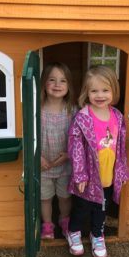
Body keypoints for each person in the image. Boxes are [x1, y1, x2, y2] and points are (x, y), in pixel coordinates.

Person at [66, 65, 129, 257]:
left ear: (113, 92)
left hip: (107, 175)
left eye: (105, 90)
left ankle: (97, 234)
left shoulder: (118, 117)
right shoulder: (82, 118)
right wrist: (80, 174)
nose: (100, 95)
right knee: (82, 207)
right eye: (94, 90)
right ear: (87, 92)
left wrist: (122, 171)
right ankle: (74, 232)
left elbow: (121, 147)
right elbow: (75, 147)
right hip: (88, 176)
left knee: (102, 208)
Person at [40, 62, 76, 239]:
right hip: (43, 165)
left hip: (65, 164)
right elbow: (28, 135)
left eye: (63, 81)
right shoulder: (36, 110)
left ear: (69, 86)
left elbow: (78, 139)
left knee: (64, 197)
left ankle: (64, 221)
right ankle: (47, 226)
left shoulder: (72, 110)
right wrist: (37, 156)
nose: (57, 84)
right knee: (45, 197)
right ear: (44, 84)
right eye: (52, 80)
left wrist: (69, 155)